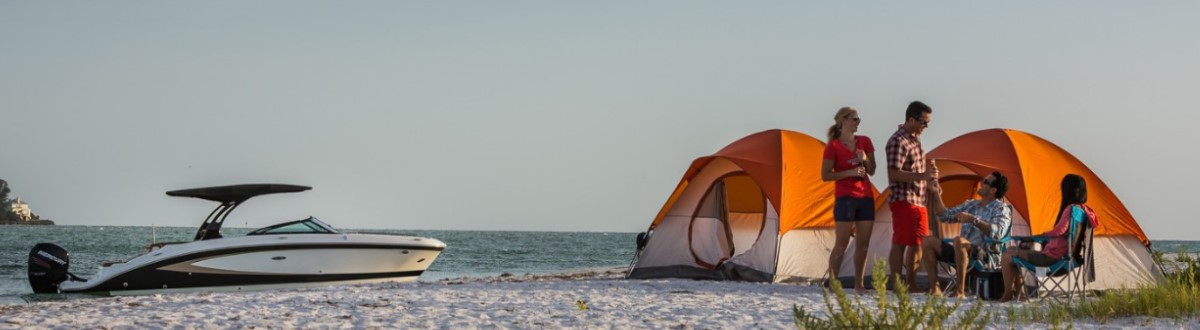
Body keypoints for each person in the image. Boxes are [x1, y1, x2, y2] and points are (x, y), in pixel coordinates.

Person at [998, 174, 1098, 302]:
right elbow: (1064, 236)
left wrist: (1036, 238)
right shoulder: (1084, 211)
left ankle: (1008, 294)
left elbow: (1059, 231)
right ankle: (1020, 293)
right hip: (1066, 259)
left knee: (1007, 256)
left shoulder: (1071, 209)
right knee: (1012, 250)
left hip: (1052, 260)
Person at [921, 171, 1012, 297]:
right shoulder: (971, 204)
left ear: (993, 190)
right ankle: (935, 289)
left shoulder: (1001, 209)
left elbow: (998, 233)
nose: (981, 183)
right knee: (928, 241)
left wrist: (973, 220)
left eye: (985, 182)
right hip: (960, 251)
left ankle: (959, 290)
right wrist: (936, 193)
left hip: (984, 254)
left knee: (959, 241)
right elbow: (944, 215)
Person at [820, 107, 877, 294]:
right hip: (845, 198)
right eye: (854, 119)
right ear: (843, 121)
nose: (857, 122)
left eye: (858, 119)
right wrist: (850, 172)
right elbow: (825, 175)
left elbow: (872, 170)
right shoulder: (833, 147)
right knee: (841, 243)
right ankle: (833, 284)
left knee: (863, 245)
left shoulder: (865, 141)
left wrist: (865, 159)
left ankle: (859, 284)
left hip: (866, 197)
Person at [885, 101, 937, 292]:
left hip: (919, 199)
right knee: (900, 242)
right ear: (911, 120)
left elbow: (915, 170)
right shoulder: (898, 141)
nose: (926, 126)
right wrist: (921, 176)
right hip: (904, 199)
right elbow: (893, 173)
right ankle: (897, 283)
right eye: (924, 122)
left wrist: (929, 181)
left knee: (919, 243)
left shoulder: (915, 139)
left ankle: (911, 283)